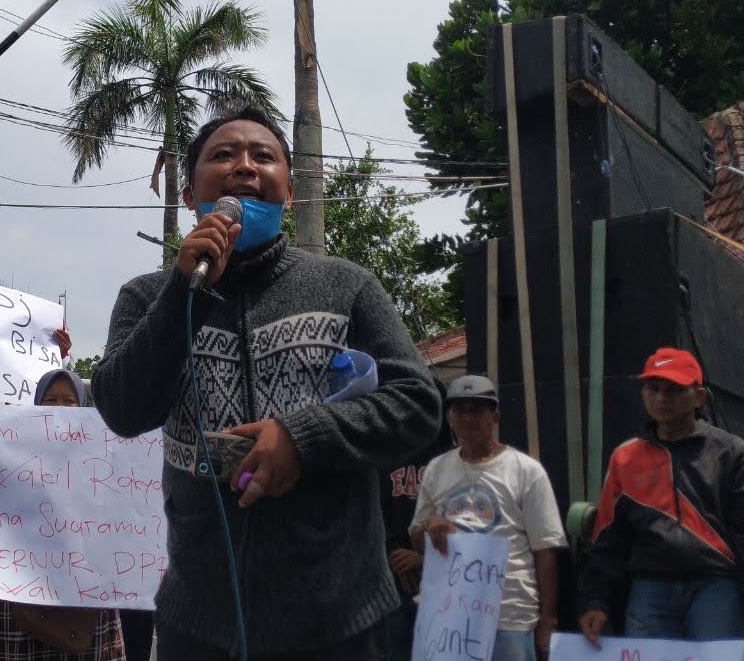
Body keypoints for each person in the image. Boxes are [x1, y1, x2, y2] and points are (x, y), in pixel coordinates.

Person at [91, 105, 441, 659]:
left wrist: (303, 436)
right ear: (189, 195)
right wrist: (183, 291)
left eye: (264, 156)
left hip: (340, 619)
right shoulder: (145, 296)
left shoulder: (346, 286)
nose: (245, 167)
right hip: (197, 621)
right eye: (223, 155)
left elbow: (418, 405)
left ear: (291, 192)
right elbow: (121, 409)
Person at [578, 348, 744, 645]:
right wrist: (597, 601)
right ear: (642, 393)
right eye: (652, 388)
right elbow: (608, 539)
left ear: (699, 397)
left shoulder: (730, 452)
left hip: (716, 586)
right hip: (650, 589)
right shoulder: (625, 458)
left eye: (673, 390)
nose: (661, 398)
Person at [411, 375, 566, 661]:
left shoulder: (526, 471)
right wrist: (429, 527)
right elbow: (418, 543)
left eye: (477, 409)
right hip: (447, 616)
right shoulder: (436, 469)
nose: (469, 418)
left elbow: (545, 551)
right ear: (449, 418)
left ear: (494, 416)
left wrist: (548, 620)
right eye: (460, 410)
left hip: (509, 616)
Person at [0, 367, 127, 661]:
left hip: (83, 598)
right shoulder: (9, 453)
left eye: (69, 401)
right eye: (50, 399)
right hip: (21, 593)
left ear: (82, 407)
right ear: (36, 405)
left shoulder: (105, 456)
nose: (60, 408)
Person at [380, 379, 452, 661]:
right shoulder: (385, 454)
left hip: (446, 580)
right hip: (395, 576)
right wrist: (395, 555)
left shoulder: (451, 459)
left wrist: (423, 558)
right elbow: (375, 511)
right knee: (396, 646)